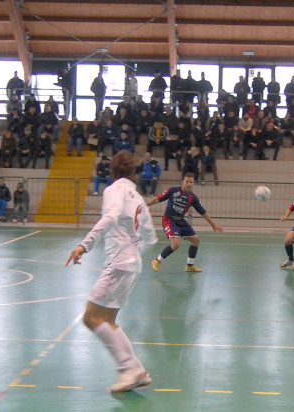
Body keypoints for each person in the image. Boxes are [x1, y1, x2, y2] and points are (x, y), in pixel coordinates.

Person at [65, 150, 157, 393]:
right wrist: (134, 253)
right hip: (131, 264)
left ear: (113, 171)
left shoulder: (114, 190)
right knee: (108, 320)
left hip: (118, 263)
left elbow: (111, 217)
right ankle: (138, 369)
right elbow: (151, 237)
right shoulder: (137, 197)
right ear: (133, 172)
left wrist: (84, 245)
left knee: (91, 317)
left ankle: (130, 368)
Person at [148, 173, 224, 273]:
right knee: (176, 244)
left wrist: (213, 224)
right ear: (182, 182)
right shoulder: (172, 191)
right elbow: (158, 199)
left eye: (191, 182)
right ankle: (157, 261)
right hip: (169, 220)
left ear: (193, 184)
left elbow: (203, 212)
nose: (188, 184)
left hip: (180, 221)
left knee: (196, 241)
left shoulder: (193, 197)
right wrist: (146, 205)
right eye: (187, 181)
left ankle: (190, 265)